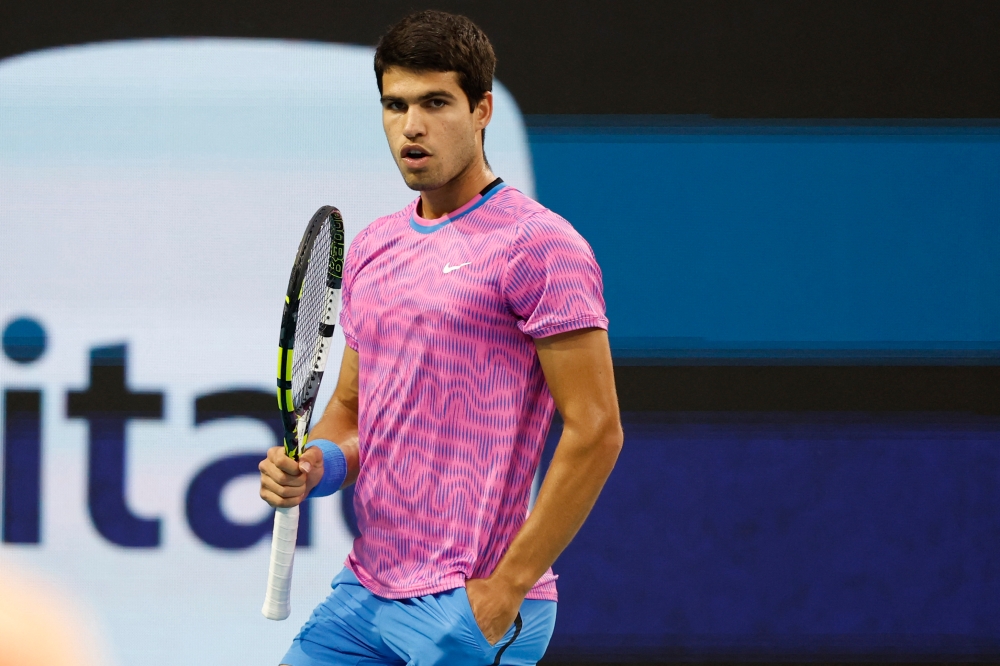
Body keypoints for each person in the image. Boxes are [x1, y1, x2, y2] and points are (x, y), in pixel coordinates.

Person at [259, 10, 622, 665]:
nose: (412, 126)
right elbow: (352, 415)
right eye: (395, 106)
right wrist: (317, 465)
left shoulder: (539, 246)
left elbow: (596, 430)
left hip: (470, 602)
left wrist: (504, 589)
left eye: (435, 103)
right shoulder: (374, 247)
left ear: (481, 109)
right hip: (365, 593)